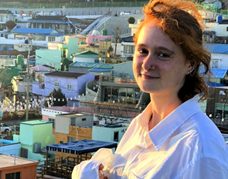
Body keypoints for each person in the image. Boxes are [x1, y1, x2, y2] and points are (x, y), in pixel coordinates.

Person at [72, 0, 228, 178]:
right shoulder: (140, 125)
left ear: (191, 64)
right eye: (143, 51)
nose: (147, 64)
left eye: (163, 54)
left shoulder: (199, 147)